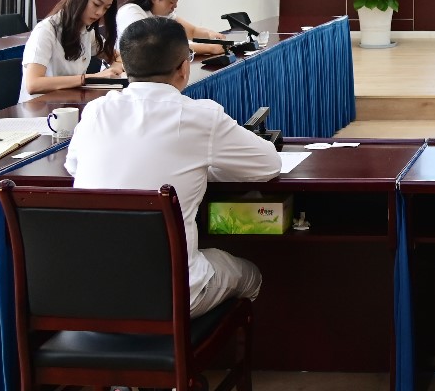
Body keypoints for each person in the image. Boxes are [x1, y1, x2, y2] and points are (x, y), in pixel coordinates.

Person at [65, 16, 283, 316]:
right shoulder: (200, 116)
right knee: (250, 274)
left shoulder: (96, 111)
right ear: (184, 68)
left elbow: (74, 167)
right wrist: (203, 168)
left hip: (90, 293)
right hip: (171, 297)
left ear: (125, 67)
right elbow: (269, 165)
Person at [19, 0, 124, 102]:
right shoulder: (46, 31)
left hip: (69, 105)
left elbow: (117, 57)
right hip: (38, 108)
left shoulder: (87, 31)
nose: (100, 13)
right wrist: (91, 78)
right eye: (96, 4)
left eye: (106, 8)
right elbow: (33, 84)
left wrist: (115, 68)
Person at [115, 0, 228, 56]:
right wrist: (210, 48)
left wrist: (211, 34)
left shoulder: (164, 14)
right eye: (172, 2)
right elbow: (157, 47)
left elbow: (192, 31)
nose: (175, 6)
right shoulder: (131, 12)